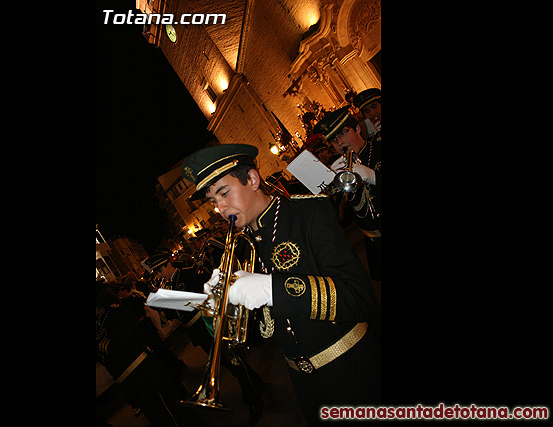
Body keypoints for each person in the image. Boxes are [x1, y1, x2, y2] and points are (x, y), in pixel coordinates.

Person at [180, 144, 380, 426]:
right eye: (213, 201)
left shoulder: (308, 214)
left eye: (224, 193)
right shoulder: (242, 246)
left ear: (252, 179)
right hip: (303, 385)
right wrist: (223, 314)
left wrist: (272, 289)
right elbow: (264, 331)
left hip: (353, 370)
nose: (220, 209)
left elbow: (361, 299)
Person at [146, 252, 266, 425]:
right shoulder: (169, 285)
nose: (159, 276)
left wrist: (171, 299)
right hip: (198, 332)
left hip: (209, 324)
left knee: (232, 361)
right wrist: (162, 301)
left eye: (159, 272)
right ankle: (255, 382)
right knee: (226, 363)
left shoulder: (189, 273)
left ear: (166, 265)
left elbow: (206, 298)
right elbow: (176, 314)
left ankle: (254, 399)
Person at [95, 282, 205, 427]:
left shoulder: (116, 312)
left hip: (143, 373)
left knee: (168, 413)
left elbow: (122, 346)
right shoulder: (100, 322)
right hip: (129, 379)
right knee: (159, 416)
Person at [313, 105, 382, 281]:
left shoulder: (379, 148)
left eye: (343, 133)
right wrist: (328, 191)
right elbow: (344, 220)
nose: (340, 143)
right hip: (375, 243)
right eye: (333, 141)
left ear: (357, 128)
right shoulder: (341, 169)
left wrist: (373, 176)